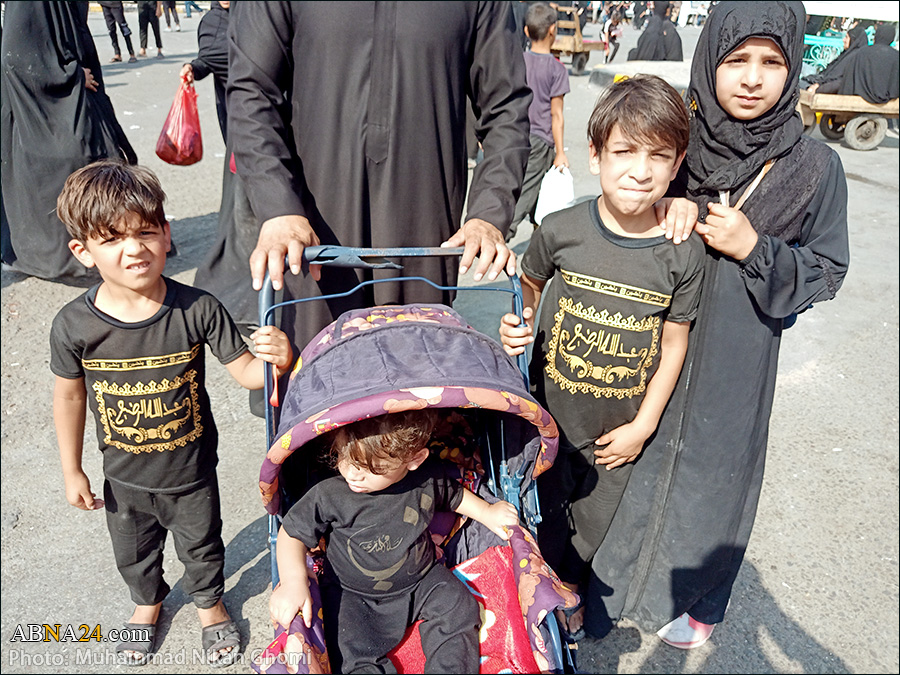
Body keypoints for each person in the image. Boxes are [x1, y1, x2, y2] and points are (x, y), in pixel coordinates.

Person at [588, 1, 850, 649]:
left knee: (716, 475)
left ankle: (698, 600)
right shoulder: (675, 139)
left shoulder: (813, 166)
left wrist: (754, 247)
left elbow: (827, 269)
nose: (752, 78)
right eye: (736, 60)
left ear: (791, 71)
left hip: (739, 352)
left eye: (771, 62)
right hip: (647, 340)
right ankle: (599, 589)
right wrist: (664, 204)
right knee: (624, 460)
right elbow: (615, 202)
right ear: (711, 60)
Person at [50, 161, 295, 666]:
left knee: (201, 545)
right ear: (83, 251)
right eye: (113, 238)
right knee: (134, 555)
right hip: (123, 477)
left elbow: (248, 372)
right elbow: (70, 398)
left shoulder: (197, 308)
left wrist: (280, 358)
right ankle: (148, 605)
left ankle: (210, 607)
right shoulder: (74, 325)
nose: (134, 248)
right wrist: (72, 468)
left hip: (191, 472)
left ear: (166, 234)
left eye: (146, 232)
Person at [498, 75, 705, 642]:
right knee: (533, 511)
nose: (640, 170)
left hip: (615, 436)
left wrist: (643, 425)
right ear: (595, 155)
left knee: (589, 529)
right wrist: (514, 328)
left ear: (677, 162)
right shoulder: (560, 230)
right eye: (624, 152)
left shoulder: (682, 252)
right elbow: (529, 289)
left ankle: (566, 593)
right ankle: (532, 590)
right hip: (544, 419)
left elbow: (674, 343)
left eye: (659, 156)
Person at [204, 3, 531, 355]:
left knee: (420, 380)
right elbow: (252, 93)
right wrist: (278, 207)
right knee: (316, 375)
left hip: (424, 227)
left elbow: (506, 107)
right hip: (314, 229)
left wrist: (487, 214)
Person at [269, 409, 519, 672]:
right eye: (344, 457)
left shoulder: (424, 480)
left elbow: (454, 496)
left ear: (414, 459)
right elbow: (292, 532)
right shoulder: (330, 494)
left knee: (459, 607)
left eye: (371, 468)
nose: (353, 474)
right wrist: (293, 581)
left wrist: (487, 512)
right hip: (353, 595)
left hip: (422, 580)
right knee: (350, 651)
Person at [1, 1, 136, 284]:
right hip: (47, 107)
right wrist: (72, 75)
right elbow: (18, 56)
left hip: (76, 97)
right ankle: (67, 254)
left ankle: (110, 242)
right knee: (73, 158)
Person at [507, 3, 570, 241]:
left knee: (536, 188)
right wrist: (560, 151)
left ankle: (540, 236)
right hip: (541, 140)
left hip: (517, 133)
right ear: (553, 30)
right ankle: (502, 233)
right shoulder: (557, 69)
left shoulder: (518, 61)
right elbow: (557, 115)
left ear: (526, 32)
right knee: (527, 191)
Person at [180, 1, 231, 142]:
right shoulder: (212, 21)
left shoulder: (255, 17)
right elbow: (207, 59)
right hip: (231, 105)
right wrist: (192, 68)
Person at [809, 24, 899, 104]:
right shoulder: (896, 56)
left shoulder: (863, 52)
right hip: (887, 99)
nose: (844, 40)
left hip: (860, 96)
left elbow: (850, 78)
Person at [798, 24, 867, 90]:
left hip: (823, 86)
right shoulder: (848, 54)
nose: (844, 40)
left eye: (846, 37)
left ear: (853, 40)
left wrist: (818, 85)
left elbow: (834, 76)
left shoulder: (852, 57)